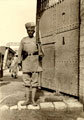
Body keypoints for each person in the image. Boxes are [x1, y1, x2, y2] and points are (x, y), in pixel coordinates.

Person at [18, 22, 44, 106]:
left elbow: (42, 53)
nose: (30, 32)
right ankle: (27, 100)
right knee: (26, 82)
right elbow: (19, 52)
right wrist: (19, 62)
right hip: (25, 62)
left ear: (34, 31)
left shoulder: (37, 40)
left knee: (34, 83)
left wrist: (39, 47)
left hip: (35, 63)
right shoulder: (23, 40)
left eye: (31, 31)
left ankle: (33, 100)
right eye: (28, 31)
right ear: (26, 31)